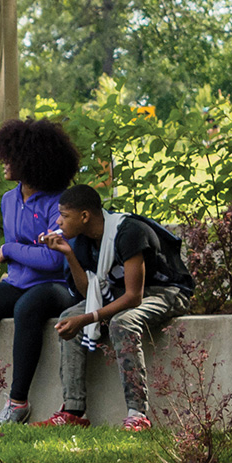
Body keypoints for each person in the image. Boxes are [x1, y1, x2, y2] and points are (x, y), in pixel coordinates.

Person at [38, 184, 195, 431]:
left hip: (168, 291)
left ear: (85, 216)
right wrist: (68, 254)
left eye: (64, 215)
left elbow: (134, 297)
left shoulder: (128, 232)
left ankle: (137, 413)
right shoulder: (82, 242)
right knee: (69, 317)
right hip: (122, 294)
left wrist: (90, 318)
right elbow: (88, 292)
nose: (58, 221)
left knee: (123, 321)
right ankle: (73, 409)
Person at [0, 119, 82, 423]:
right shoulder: (8, 200)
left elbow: (52, 260)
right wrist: (24, 252)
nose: (4, 164)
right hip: (19, 281)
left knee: (28, 307)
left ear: (31, 160)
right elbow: (31, 254)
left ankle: (18, 403)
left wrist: (10, 250)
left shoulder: (60, 203)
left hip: (56, 286)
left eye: (10, 158)